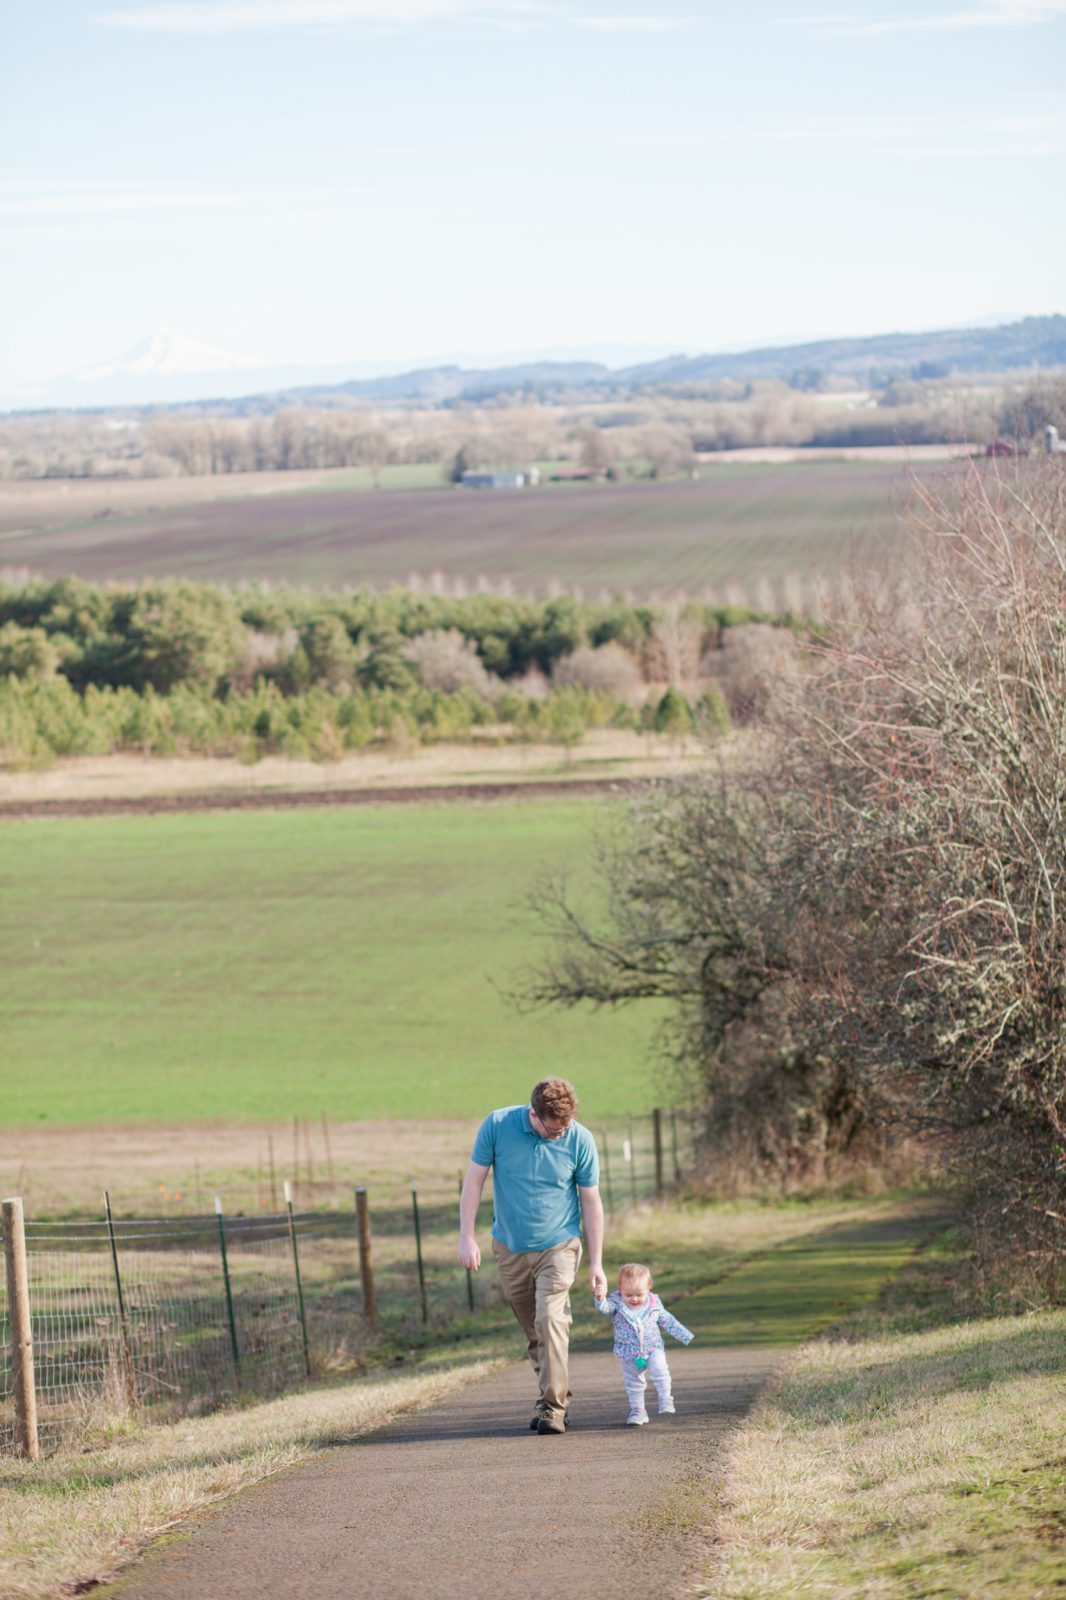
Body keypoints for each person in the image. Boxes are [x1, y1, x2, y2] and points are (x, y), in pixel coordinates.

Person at [458, 1077, 606, 1435]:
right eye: (554, 1129)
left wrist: (597, 1263)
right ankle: (555, 1394)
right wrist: (467, 1236)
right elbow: (474, 1181)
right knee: (535, 1331)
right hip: (509, 1245)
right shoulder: (497, 1125)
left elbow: (591, 1200)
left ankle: (552, 1408)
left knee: (552, 1318)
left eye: (566, 1127)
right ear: (534, 1115)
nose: (561, 1134)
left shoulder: (580, 1139)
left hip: (560, 1245)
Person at [593, 1261, 693, 1426]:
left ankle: (665, 1398)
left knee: (660, 1370)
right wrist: (599, 1298)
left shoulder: (654, 1305)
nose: (634, 1299)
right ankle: (638, 1411)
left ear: (649, 1288)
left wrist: (685, 1336)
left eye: (639, 1294)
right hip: (628, 1352)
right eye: (628, 1294)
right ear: (620, 1290)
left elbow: (668, 1320)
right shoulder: (616, 1304)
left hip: (653, 1347)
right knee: (634, 1383)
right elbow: (605, 1308)